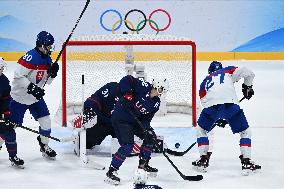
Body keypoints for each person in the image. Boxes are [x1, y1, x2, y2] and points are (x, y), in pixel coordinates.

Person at [192, 61, 261, 175]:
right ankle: (247, 163)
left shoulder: (205, 80)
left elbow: (203, 100)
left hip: (211, 108)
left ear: (209, 71)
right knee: (245, 132)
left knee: (201, 130)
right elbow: (249, 73)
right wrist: (247, 87)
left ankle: (203, 160)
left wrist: (217, 117)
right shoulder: (227, 70)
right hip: (231, 107)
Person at [104, 75, 169, 185]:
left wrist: (147, 129)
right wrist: (127, 93)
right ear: (157, 86)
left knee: (151, 137)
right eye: (161, 89)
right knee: (128, 146)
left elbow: (146, 119)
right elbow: (127, 79)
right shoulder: (142, 85)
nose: (161, 92)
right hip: (121, 118)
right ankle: (112, 171)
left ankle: (143, 166)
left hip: (134, 122)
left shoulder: (156, 103)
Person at [9, 31, 59, 159]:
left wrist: (52, 74)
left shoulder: (48, 59)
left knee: (46, 121)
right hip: (19, 99)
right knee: (9, 127)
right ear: (42, 45)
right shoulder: (30, 57)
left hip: (35, 99)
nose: (50, 49)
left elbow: (46, 82)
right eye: (49, 46)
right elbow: (18, 76)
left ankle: (44, 145)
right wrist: (31, 87)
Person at [74, 82, 121, 151]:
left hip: (120, 125)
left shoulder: (138, 96)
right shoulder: (112, 87)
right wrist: (92, 111)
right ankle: (83, 137)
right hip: (102, 122)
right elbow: (91, 102)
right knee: (85, 144)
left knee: (127, 148)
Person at [0, 57, 24, 168]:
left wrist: (7, 113)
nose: (1, 70)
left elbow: (6, 99)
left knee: (9, 132)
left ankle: (13, 156)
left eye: (2, 68)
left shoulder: (4, 81)